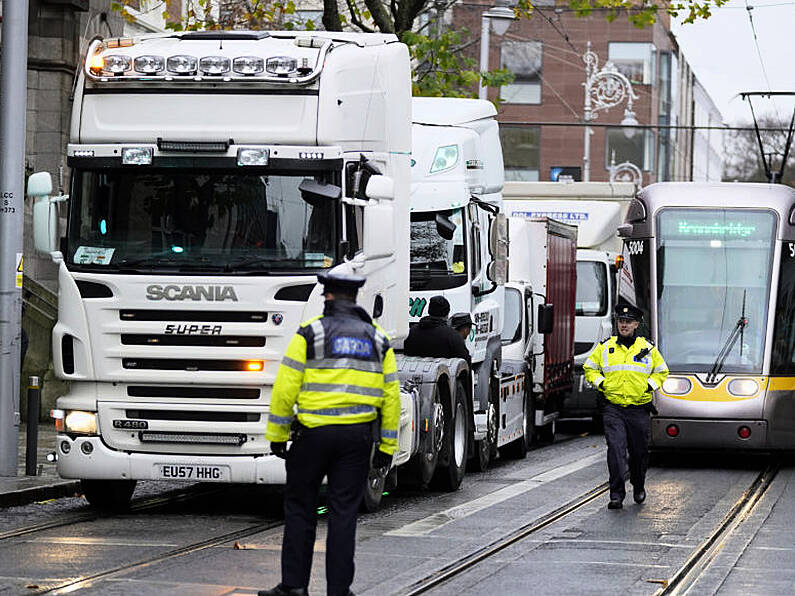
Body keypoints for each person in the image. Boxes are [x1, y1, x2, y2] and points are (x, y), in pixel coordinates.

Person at [260, 272, 401, 596]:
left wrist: (278, 434)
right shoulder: (378, 339)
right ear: (355, 299)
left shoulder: (311, 334)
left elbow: (285, 387)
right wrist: (387, 446)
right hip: (356, 439)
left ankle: (294, 587)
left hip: (313, 436)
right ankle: (339, 590)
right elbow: (390, 397)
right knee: (343, 514)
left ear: (327, 297)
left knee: (300, 509)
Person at [583, 303, 669, 510]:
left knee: (638, 453)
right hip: (614, 409)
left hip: (638, 410)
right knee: (615, 450)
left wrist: (648, 386)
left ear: (636, 324)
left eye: (628, 322)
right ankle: (616, 494)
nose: (624, 325)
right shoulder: (605, 347)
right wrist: (601, 383)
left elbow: (662, 372)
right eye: (621, 321)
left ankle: (638, 484)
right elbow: (589, 368)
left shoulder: (648, 349)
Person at [403, 296, 471, 366]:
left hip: (412, 374)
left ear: (429, 311)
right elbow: (465, 363)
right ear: (447, 314)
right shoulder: (452, 336)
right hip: (444, 376)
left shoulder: (412, 331)